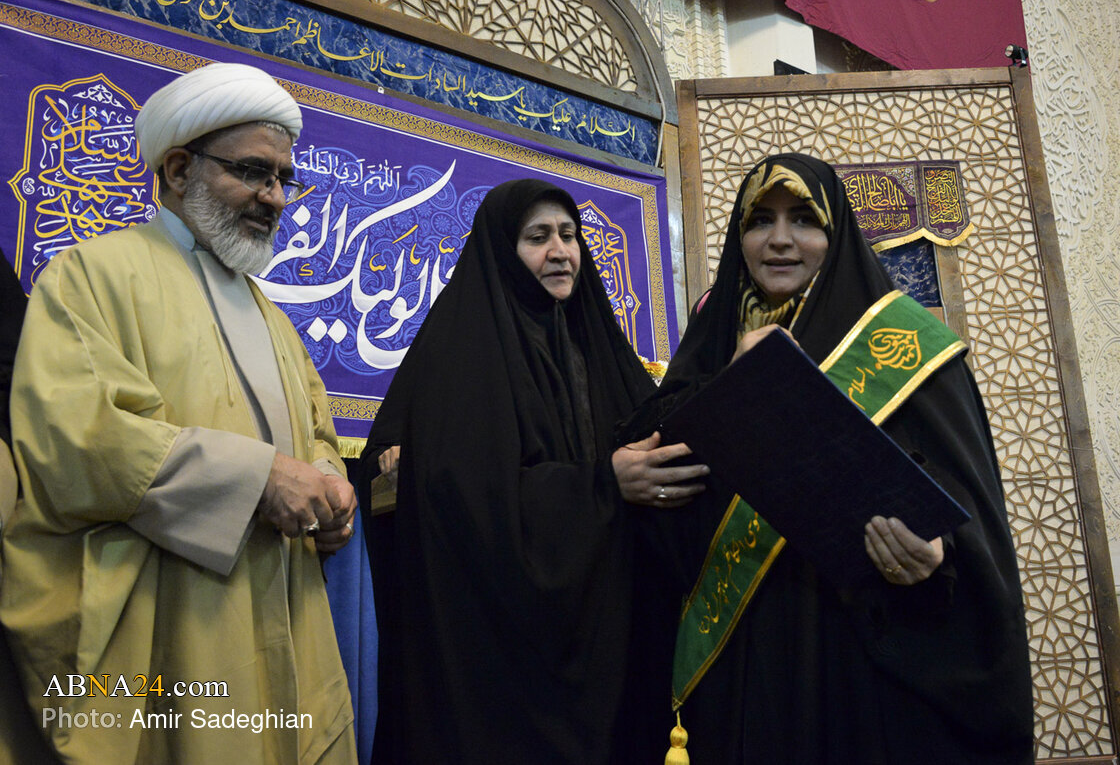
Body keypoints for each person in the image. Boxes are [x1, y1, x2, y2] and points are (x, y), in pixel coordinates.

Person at [621, 153, 1035, 764]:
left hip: (856, 665)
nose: (780, 239)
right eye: (760, 220)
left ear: (836, 232)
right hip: (740, 674)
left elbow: (974, 523)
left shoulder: (909, 346)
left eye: (803, 219)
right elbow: (663, 499)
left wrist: (938, 557)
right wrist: (626, 476)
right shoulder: (710, 348)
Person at [3, 62, 358, 763]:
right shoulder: (91, 276)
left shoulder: (271, 315)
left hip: (290, 612)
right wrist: (257, 480)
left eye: (284, 179)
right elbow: (79, 439)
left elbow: (316, 430)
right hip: (180, 625)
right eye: (253, 172)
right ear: (177, 169)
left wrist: (328, 485)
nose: (274, 197)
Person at [361, 179, 706, 764]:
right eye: (538, 237)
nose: (560, 251)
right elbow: (465, 498)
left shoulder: (595, 341)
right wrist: (604, 485)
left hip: (607, 635)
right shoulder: (462, 352)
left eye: (569, 235)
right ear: (503, 248)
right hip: (503, 662)